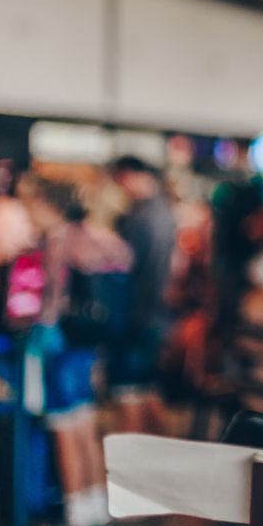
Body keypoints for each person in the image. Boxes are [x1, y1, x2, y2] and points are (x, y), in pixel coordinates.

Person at [23, 177, 132, 526]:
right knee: (86, 425)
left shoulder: (58, 240)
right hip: (89, 346)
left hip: (61, 346)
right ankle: (98, 508)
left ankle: (75, 513)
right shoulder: (101, 239)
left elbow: (50, 302)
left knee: (64, 428)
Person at [110, 156, 178, 435]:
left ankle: (130, 468)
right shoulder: (165, 213)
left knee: (129, 395)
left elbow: (126, 271)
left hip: (136, 315)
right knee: (149, 391)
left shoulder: (138, 218)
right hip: (159, 315)